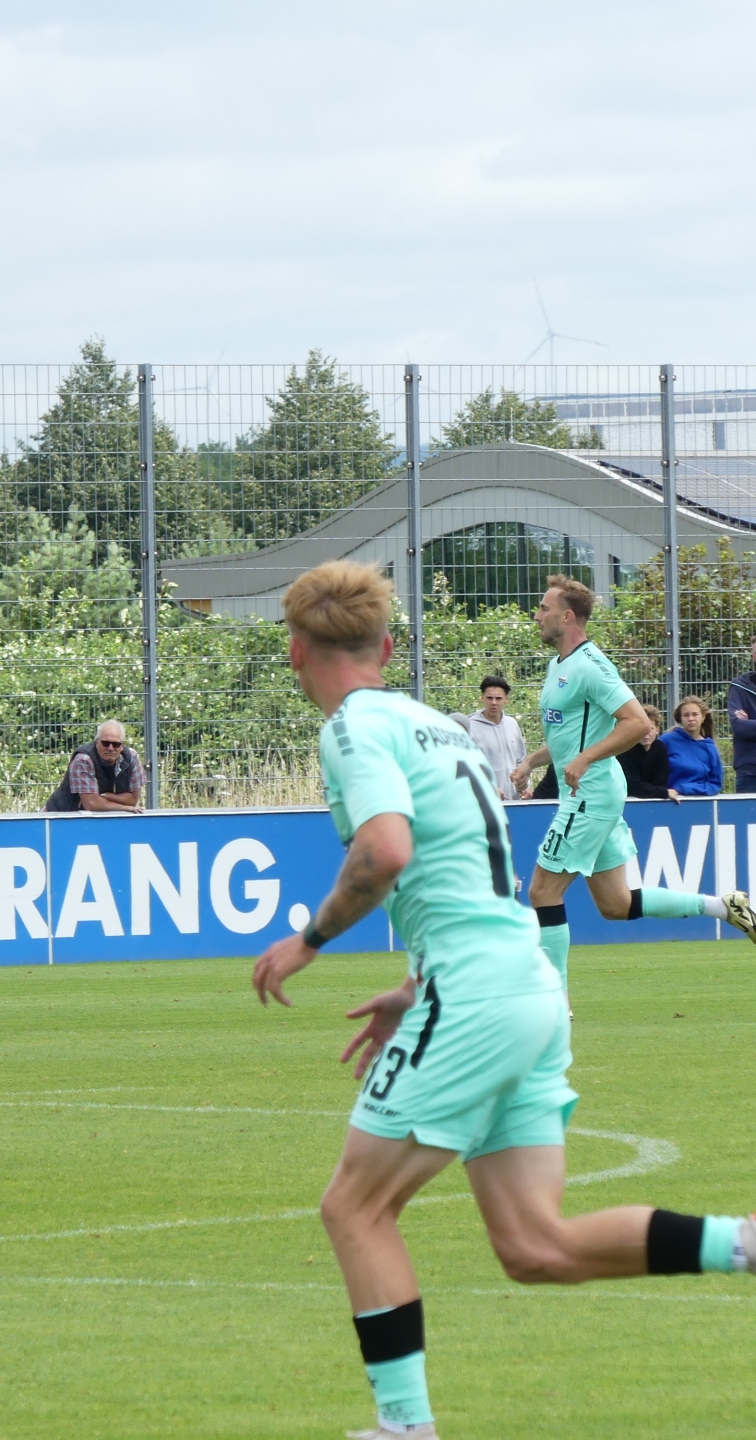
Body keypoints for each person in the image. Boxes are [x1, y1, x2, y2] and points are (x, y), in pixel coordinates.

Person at [252, 559, 756, 1440]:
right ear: (389, 647)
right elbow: (465, 881)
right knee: (533, 1246)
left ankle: (404, 1426)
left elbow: (386, 852)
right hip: (520, 984)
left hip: (478, 995)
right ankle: (743, 1243)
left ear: (295, 651)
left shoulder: (354, 728)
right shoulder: (434, 726)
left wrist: (309, 939)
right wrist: (415, 986)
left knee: (353, 1207)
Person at [509, 576, 756, 996]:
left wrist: (587, 758)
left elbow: (637, 723)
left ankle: (552, 1001)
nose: (537, 615)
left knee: (542, 892)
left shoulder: (592, 666)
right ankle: (723, 906)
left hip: (589, 796)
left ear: (567, 617)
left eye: (544, 608)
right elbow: (572, 736)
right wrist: (532, 760)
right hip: (592, 794)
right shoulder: (559, 666)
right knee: (616, 904)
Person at [44, 720, 144, 813]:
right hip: (59, 816)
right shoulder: (83, 760)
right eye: (105, 743)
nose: (110, 748)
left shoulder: (132, 757)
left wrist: (105, 796)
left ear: (122, 746)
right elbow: (92, 804)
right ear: (96, 742)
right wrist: (125, 808)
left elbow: (132, 800)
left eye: (116, 744)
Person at [459, 675, 528, 802]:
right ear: (482, 698)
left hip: (513, 800)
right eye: (489, 698)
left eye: (498, 698)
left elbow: (520, 760)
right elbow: (465, 765)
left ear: (506, 699)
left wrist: (524, 785)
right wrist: (489, 786)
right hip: (483, 800)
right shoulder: (470, 726)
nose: (494, 702)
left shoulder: (512, 724)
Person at [662, 695, 724, 798]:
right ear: (680, 718)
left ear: (703, 717)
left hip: (700, 802)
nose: (691, 719)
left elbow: (715, 784)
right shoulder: (666, 741)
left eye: (695, 714)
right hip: (670, 801)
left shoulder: (710, 748)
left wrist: (682, 789)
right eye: (686, 715)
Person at [615, 705, 671, 800]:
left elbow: (661, 782)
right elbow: (632, 786)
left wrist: (657, 791)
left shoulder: (661, 748)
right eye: (641, 729)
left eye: (650, 729)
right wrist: (662, 792)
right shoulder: (625, 750)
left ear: (657, 730)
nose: (646, 734)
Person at [727, 639, 756, 792]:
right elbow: (738, 726)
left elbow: (746, 726)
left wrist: (750, 722)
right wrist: (744, 724)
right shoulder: (739, 686)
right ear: (753, 656)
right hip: (749, 770)